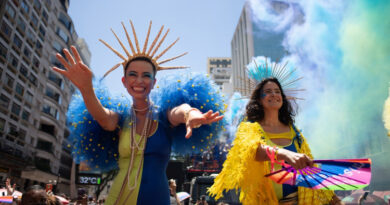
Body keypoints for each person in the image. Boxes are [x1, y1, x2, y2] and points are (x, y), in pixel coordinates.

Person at [53, 21, 224, 205]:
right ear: (124, 81)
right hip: (118, 197)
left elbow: (179, 111)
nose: (139, 81)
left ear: (154, 81)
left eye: (146, 75)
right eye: (133, 74)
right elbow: (103, 118)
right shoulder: (121, 118)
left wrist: (190, 113)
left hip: (156, 198)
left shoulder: (164, 116)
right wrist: (87, 88)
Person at [209, 77, 341, 204]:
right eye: (268, 92)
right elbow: (252, 151)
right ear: (259, 100)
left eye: (277, 92)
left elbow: (310, 168)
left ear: (282, 99)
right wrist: (285, 154)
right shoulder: (249, 127)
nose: (274, 94)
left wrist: (331, 197)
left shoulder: (293, 131)